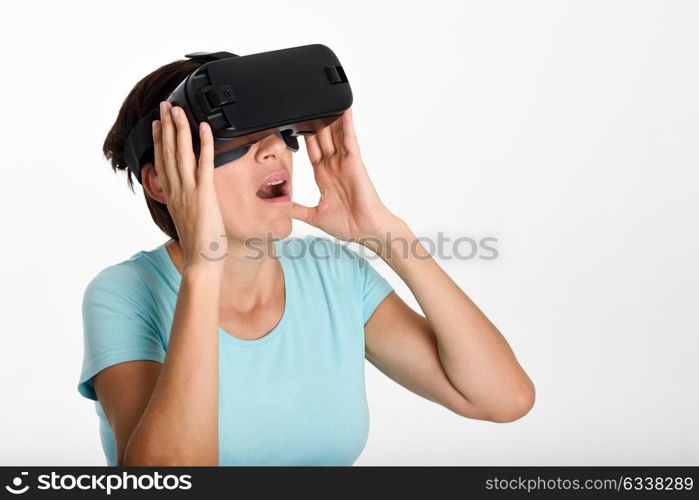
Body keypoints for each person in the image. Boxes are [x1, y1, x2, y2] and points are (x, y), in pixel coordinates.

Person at [77, 57, 536, 466]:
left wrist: (389, 236)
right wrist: (204, 267)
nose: (275, 149)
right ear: (161, 182)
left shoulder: (333, 274)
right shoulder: (125, 294)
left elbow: (503, 399)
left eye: (282, 134)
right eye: (237, 138)